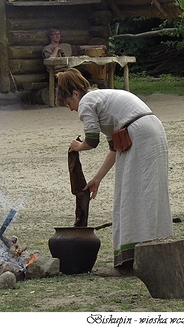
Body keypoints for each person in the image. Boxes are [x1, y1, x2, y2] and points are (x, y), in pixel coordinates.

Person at [56, 68, 173, 277]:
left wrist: (76, 146)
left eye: (68, 104)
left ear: (75, 93)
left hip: (140, 135)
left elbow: (91, 141)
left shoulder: (86, 103)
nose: (72, 109)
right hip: (150, 131)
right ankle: (152, 253)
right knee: (147, 195)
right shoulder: (102, 99)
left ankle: (128, 265)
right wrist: (97, 179)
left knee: (129, 197)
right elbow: (114, 148)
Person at [42, 27, 106, 73]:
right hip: (56, 73)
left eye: (58, 34)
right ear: (50, 36)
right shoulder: (47, 49)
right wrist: (56, 49)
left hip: (68, 71)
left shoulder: (65, 46)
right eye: (55, 34)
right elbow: (50, 60)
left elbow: (80, 48)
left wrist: (98, 46)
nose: (57, 36)